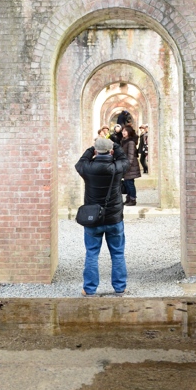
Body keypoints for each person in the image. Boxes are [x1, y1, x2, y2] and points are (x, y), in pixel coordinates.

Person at [75, 135, 129, 296]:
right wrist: (115, 147)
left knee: (92, 254)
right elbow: (125, 159)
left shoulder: (87, 168)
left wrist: (91, 149)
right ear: (111, 151)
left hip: (93, 219)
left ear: (96, 151)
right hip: (114, 218)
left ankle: (89, 289)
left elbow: (80, 162)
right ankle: (120, 287)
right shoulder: (118, 167)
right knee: (118, 254)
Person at [120, 124, 141, 206]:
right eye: (123, 131)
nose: (123, 132)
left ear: (129, 132)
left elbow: (131, 155)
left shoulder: (131, 142)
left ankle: (132, 199)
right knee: (127, 183)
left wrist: (127, 165)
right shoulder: (124, 140)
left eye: (125, 131)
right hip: (126, 165)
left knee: (130, 183)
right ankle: (128, 199)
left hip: (130, 166)